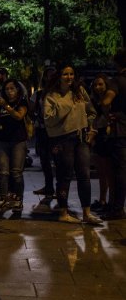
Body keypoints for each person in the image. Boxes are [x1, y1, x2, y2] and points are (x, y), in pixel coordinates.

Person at [43, 64, 102, 224]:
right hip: (62, 140)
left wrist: (89, 127)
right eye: (65, 74)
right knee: (64, 176)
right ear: (59, 76)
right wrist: (68, 102)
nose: (69, 77)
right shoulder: (51, 96)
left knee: (85, 175)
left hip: (80, 138)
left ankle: (86, 213)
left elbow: (92, 112)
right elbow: (49, 120)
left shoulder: (80, 91)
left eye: (71, 74)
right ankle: (63, 212)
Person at [0, 79, 29, 213]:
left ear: (17, 90)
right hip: (2, 141)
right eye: (7, 89)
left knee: (16, 172)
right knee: (3, 172)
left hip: (18, 141)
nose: (9, 91)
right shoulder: (0, 104)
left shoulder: (21, 102)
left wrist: (6, 106)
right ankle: (2, 198)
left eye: (12, 89)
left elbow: (19, 116)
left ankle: (18, 199)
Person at [101, 48, 126, 220]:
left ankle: (117, 208)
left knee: (120, 170)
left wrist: (109, 112)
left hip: (121, 129)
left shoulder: (117, 81)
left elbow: (106, 100)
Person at [31, 66, 57, 212]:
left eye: (54, 75)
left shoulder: (61, 93)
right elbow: (32, 109)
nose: (51, 78)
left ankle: (59, 189)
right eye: (49, 75)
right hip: (42, 129)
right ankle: (49, 187)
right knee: (45, 159)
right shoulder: (40, 94)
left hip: (58, 132)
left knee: (59, 159)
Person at [89, 73, 113, 213]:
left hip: (107, 135)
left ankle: (111, 202)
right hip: (97, 135)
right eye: (96, 85)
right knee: (101, 172)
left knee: (109, 172)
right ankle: (103, 200)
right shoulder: (93, 100)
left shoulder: (110, 100)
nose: (98, 87)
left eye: (101, 84)